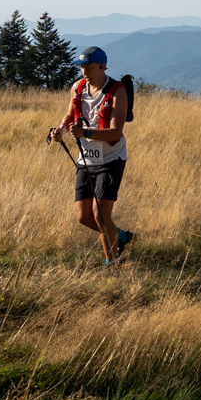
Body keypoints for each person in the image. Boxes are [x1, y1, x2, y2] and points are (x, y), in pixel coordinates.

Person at [49, 46, 136, 264]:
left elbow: (116, 132)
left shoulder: (117, 91)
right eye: (81, 68)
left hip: (111, 159)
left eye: (88, 67)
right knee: (83, 216)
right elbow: (70, 115)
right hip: (86, 159)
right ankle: (122, 237)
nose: (84, 72)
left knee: (100, 215)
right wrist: (61, 130)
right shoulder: (77, 88)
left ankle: (111, 263)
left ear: (102, 66)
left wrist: (86, 133)